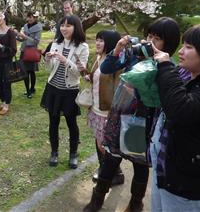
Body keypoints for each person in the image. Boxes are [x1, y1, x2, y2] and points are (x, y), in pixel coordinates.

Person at [83, 17, 181, 212]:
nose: (149, 41)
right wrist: (118, 48)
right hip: (121, 116)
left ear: (168, 44)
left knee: (140, 165)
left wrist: (138, 89)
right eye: (149, 35)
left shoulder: (167, 66)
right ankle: (97, 199)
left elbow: (163, 97)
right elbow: (107, 68)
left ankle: (136, 203)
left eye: (157, 38)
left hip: (144, 122)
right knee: (111, 159)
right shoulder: (133, 55)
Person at [151, 24, 200, 211]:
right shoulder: (188, 77)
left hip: (189, 190)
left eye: (189, 47)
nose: (181, 52)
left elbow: (180, 108)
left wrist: (166, 66)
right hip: (168, 176)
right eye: (183, 45)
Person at [41, 15, 89, 169]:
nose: (64, 28)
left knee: (71, 123)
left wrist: (65, 60)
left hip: (70, 90)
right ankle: (54, 152)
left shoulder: (83, 47)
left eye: (68, 26)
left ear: (76, 27)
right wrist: (47, 60)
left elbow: (79, 73)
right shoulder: (56, 43)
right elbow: (49, 69)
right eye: (62, 25)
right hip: (53, 88)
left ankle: (73, 154)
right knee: (53, 121)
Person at [84, 30, 124, 185]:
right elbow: (97, 79)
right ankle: (105, 170)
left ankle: (114, 174)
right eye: (97, 39)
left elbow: (118, 89)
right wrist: (88, 75)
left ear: (111, 43)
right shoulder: (98, 58)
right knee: (99, 142)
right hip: (95, 108)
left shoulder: (115, 63)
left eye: (102, 40)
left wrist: (112, 113)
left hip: (107, 111)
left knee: (105, 146)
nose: (98, 43)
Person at [15, 11, 43, 98]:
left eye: (31, 17)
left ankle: (32, 88)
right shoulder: (25, 26)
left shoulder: (38, 28)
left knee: (31, 72)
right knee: (24, 72)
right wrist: (17, 35)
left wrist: (25, 37)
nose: (29, 19)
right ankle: (28, 90)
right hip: (24, 51)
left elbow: (36, 41)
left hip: (31, 51)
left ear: (35, 18)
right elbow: (22, 39)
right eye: (28, 17)